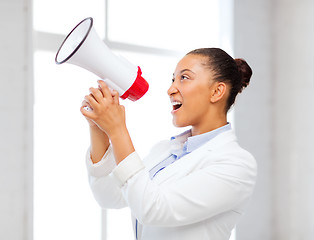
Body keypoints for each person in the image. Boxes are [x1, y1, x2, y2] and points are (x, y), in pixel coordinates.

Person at [80, 48, 257, 240]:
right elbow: (109, 196)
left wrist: (117, 130)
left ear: (216, 91)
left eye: (184, 78)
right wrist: (98, 128)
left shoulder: (237, 165)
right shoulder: (165, 151)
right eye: (173, 79)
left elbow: (152, 209)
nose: (171, 89)